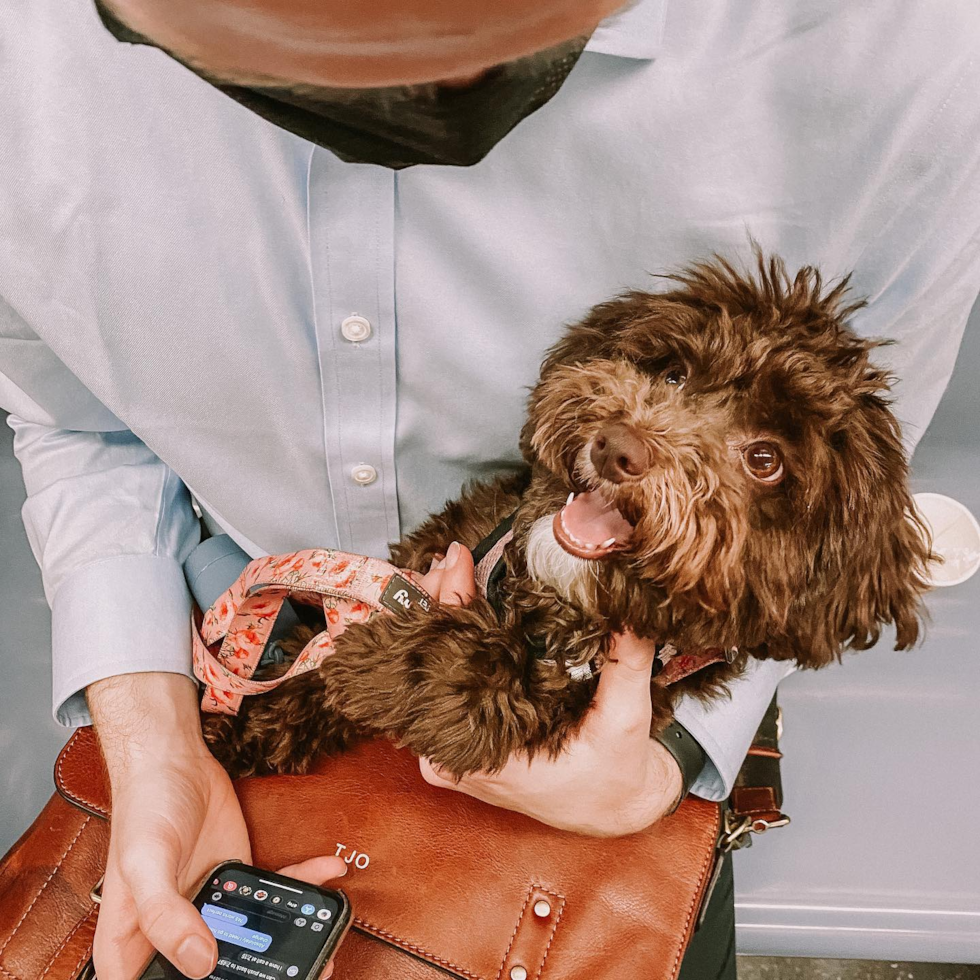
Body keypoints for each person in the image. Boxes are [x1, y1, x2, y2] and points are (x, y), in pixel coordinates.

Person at [2, 0, 978, 977]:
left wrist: (660, 763)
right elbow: (79, 413)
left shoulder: (910, 57)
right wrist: (150, 732)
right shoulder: (27, 60)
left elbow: (837, 501)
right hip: (224, 674)